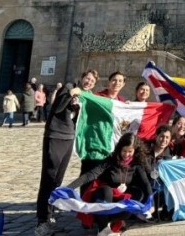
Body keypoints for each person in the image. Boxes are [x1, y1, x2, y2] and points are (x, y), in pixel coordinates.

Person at [35, 69, 98, 236]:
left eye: (92, 81)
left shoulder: (85, 96)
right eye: (87, 79)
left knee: (57, 179)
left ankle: (50, 214)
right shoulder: (69, 87)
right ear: (81, 78)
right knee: (49, 177)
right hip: (55, 136)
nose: (89, 82)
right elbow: (57, 108)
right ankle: (42, 220)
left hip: (69, 138)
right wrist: (71, 94)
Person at [65, 133, 152, 236]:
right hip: (104, 198)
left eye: (130, 151)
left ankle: (114, 221)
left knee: (138, 193)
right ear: (119, 148)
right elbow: (90, 174)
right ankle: (103, 227)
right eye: (124, 151)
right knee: (107, 191)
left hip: (120, 199)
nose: (126, 154)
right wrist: (69, 188)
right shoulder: (111, 160)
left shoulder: (136, 164)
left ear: (135, 151)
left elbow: (145, 183)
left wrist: (151, 203)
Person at [146, 125, 172, 221]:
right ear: (156, 136)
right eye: (161, 136)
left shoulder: (169, 155)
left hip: (160, 188)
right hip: (145, 185)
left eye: (167, 137)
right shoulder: (145, 150)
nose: (164, 140)